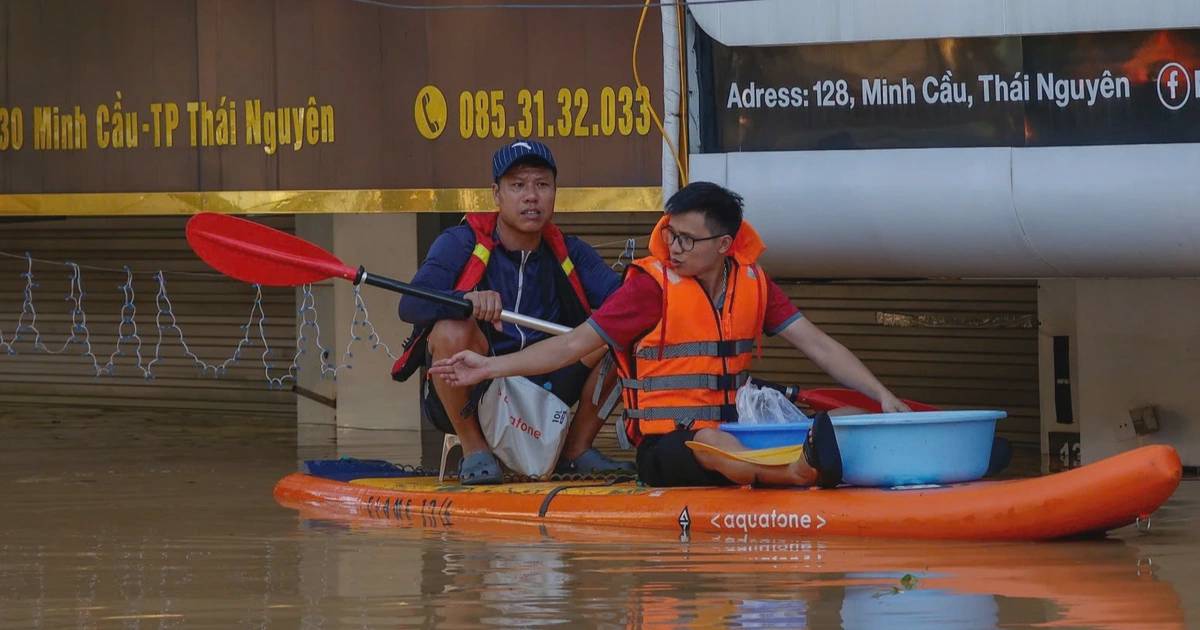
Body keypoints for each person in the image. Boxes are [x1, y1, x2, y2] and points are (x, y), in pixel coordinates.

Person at [429, 181, 911, 488]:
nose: (673, 247)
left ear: (724, 245)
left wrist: (883, 397)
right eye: (670, 233)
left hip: (737, 430)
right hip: (667, 449)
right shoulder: (649, 287)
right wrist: (491, 366)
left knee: (848, 415)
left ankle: (856, 458)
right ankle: (792, 474)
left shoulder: (753, 283)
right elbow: (575, 344)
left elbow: (819, 344)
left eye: (687, 239)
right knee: (713, 445)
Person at [394, 140, 633, 484]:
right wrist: (465, 300)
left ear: (555, 192)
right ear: (496, 194)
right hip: (477, 386)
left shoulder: (571, 252)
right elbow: (410, 305)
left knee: (622, 332)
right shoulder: (460, 242)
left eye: (542, 185)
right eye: (518, 186)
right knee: (449, 329)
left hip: (549, 381)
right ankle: (474, 450)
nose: (531, 196)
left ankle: (575, 451)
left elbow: (623, 302)